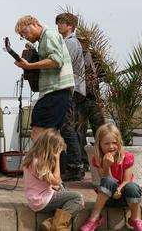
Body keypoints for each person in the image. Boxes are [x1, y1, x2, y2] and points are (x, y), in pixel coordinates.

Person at [14, 15, 75, 140]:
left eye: (24, 32)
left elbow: (57, 60)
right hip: (56, 91)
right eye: (22, 36)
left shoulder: (49, 35)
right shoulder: (44, 38)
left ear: (34, 24)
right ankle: (54, 159)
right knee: (52, 136)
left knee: (39, 133)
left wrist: (30, 66)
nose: (25, 37)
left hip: (55, 91)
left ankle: (43, 158)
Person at [81, 123, 142, 231]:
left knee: (133, 186)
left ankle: (135, 219)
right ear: (99, 145)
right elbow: (106, 181)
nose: (111, 146)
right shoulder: (98, 159)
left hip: (126, 198)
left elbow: (127, 180)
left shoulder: (127, 157)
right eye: (106, 143)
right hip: (107, 198)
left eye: (114, 143)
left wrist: (119, 188)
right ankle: (94, 218)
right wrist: (106, 166)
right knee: (108, 180)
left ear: (119, 142)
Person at [23, 129, 84, 230]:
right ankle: (57, 227)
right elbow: (56, 180)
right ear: (50, 148)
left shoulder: (32, 159)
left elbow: (55, 183)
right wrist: (57, 158)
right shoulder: (38, 162)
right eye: (57, 151)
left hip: (37, 199)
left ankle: (49, 223)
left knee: (69, 196)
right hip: (42, 200)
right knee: (77, 198)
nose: (56, 154)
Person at [56, 13, 86, 181]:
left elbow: (61, 62)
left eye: (62, 23)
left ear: (70, 26)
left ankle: (76, 166)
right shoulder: (66, 42)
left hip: (71, 89)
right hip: (69, 88)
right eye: (59, 22)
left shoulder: (72, 43)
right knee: (66, 128)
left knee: (68, 127)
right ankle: (71, 165)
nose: (59, 25)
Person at [76, 35, 105, 169]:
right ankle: (82, 162)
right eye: (80, 41)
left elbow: (105, 75)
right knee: (78, 132)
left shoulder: (94, 56)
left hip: (93, 99)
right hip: (78, 99)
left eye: (85, 41)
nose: (83, 44)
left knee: (100, 130)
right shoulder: (74, 55)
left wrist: (97, 78)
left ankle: (103, 159)